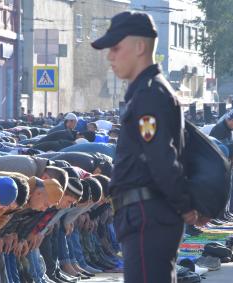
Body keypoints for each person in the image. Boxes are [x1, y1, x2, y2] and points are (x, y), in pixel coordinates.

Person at [92, 11, 201, 283]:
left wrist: (183, 204)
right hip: (147, 213)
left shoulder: (149, 95)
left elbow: (162, 158)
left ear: (140, 47)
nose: (110, 56)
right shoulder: (148, 92)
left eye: (116, 48)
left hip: (147, 213)